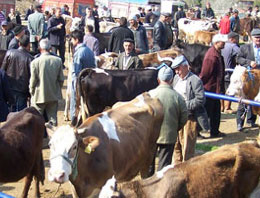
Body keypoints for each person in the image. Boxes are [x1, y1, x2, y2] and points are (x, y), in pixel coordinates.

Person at [148, 65, 187, 175]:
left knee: (148, 165)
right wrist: (175, 127)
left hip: (151, 136)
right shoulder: (178, 97)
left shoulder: (150, 95)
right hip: (169, 136)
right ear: (171, 80)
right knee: (164, 167)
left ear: (158, 80)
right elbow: (184, 116)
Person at [172, 55, 209, 164]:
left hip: (190, 118)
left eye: (178, 69)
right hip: (176, 117)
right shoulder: (176, 79)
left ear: (185, 67)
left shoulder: (195, 80)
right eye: (175, 69)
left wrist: (184, 106)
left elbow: (200, 99)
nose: (177, 72)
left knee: (187, 148)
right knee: (176, 146)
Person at [29, 38, 64, 126]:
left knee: (36, 119)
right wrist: (57, 89)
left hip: (39, 95)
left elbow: (33, 80)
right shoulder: (58, 60)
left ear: (40, 49)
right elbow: (61, 79)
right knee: (53, 119)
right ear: (50, 48)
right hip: (53, 94)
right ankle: (53, 137)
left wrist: (31, 91)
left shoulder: (34, 62)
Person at [199, 34, 227, 138]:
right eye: (222, 42)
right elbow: (205, 74)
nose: (224, 43)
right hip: (209, 89)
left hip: (215, 89)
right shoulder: (211, 57)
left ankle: (214, 131)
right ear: (216, 43)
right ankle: (197, 131)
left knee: (215, 111)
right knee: (206, 112)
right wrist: (200, 86)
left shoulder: (217, 54)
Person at [236, 28, 260, 132]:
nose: (258, 39)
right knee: (244, 100)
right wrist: (249, 62)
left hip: (258, 79)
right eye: (256, 37)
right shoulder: (245, 48)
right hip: (247, 78)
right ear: (252, 38)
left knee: (255, 99)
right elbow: (238, 59)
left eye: (259, 37)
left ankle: (251, 120)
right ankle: (239, 123)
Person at [2, 35, 33, 112]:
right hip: (22, 90)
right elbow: (31, 77)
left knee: (10, 114)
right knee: (21, 115)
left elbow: (3, 70)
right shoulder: (30, 58)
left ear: (19, 43)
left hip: (9, 87)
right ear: (29, 45)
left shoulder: (9, 53)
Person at [70, 30, 95, 123]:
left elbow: (76, 72)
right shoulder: (89, 51)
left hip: (80, 82)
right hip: (90, 80)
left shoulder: (79, 52)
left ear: (76, 40)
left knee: (75, 102)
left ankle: (74, 120)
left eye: (72, 39)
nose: (72, 42)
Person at [221, 32, 240, 114]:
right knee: (230, 89)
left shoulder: (222, 45)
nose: (237, 40)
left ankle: (221, 107)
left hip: (221, 70)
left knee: (222, 89)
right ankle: (227, 107)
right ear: (232, 39)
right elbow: (241, 54)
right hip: (230, 71)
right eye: (236, 39)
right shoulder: (233, 46)